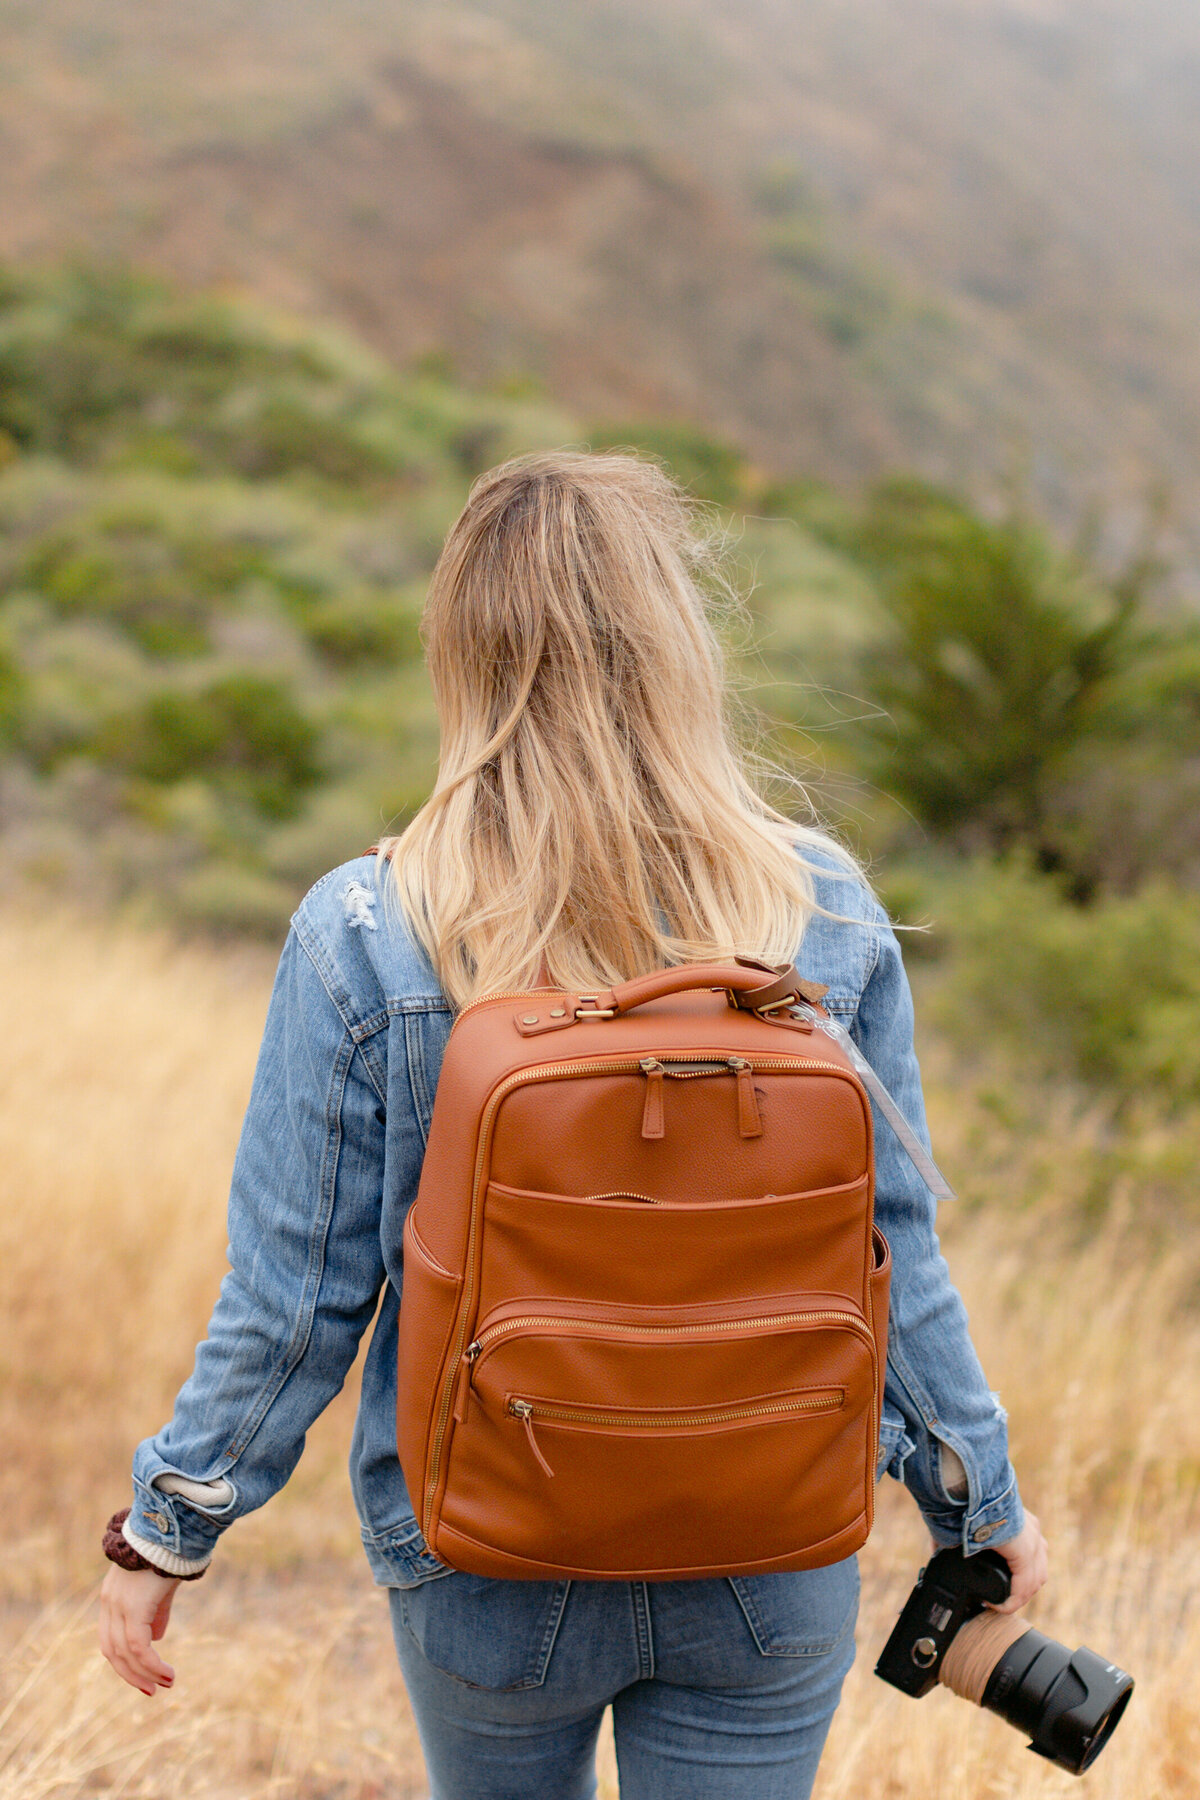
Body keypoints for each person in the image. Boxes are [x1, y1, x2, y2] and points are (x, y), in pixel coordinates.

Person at [99, 451, 1048, 1799]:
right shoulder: (816, 909)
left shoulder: (369, 932)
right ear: (676, 644)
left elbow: (297, 1301)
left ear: (460, 653)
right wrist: (981, 1512)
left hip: (490, 1545)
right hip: (767, 1541)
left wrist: (169, 1532)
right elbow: (895, 1264)